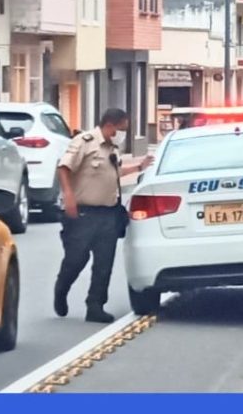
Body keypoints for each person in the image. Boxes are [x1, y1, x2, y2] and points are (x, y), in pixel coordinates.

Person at [54, 108, 154, 323]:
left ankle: (95, 305)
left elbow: (113, 173)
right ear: (110, 125)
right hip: (82, 213)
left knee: (104, 263)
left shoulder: (112, 148)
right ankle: (61, 289)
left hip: (107, 214)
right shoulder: (85, 142)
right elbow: (63, 168)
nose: (124, 133)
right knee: (76, 259)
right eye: (122, 128)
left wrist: (138, 167)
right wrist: (68, 196)